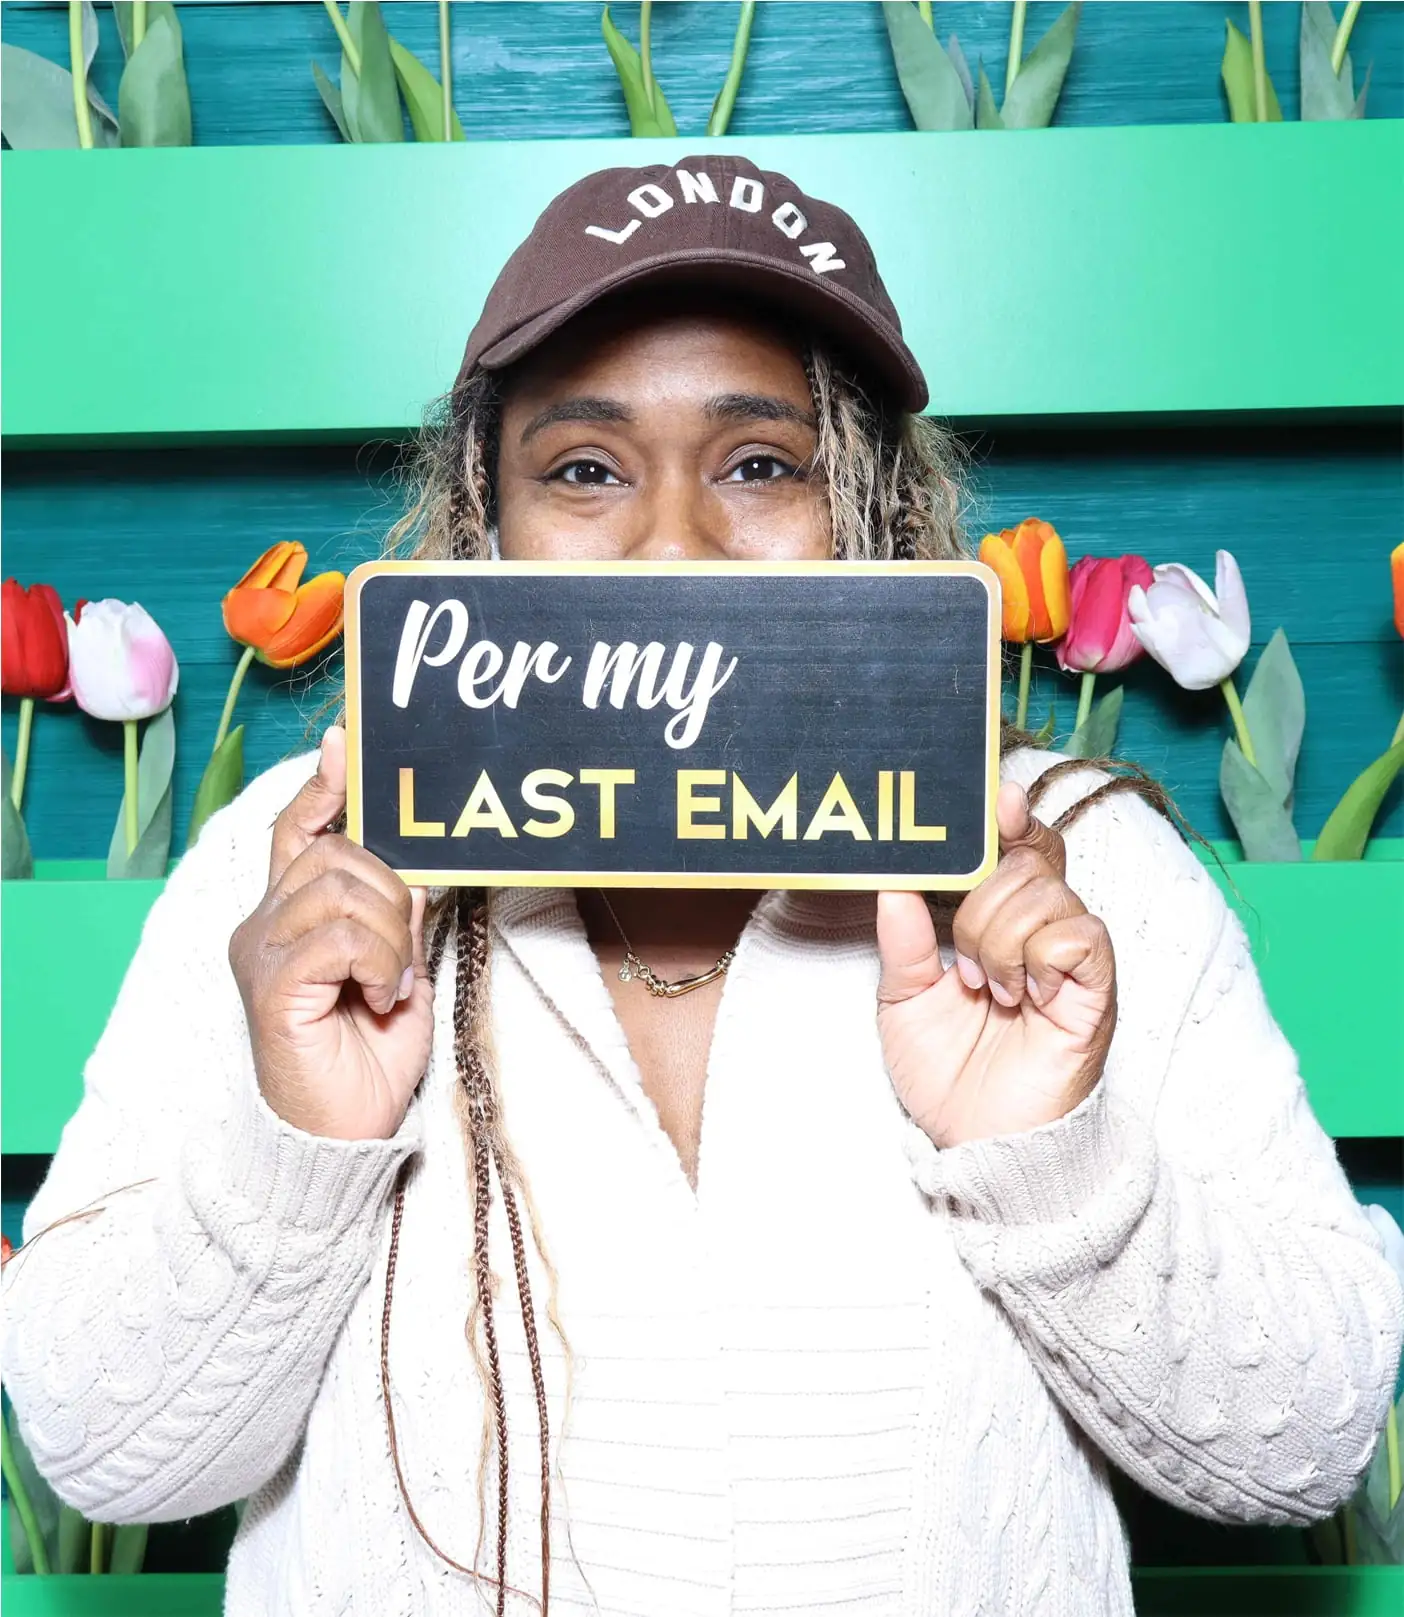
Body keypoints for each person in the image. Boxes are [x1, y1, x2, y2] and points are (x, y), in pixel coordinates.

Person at [3, 156, 1401, 1617]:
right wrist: (298, 1144)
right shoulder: (301, 875)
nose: (672, 539)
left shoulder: (1081, 872)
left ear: (862, 499)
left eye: (757, 464)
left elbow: (1307, 1446)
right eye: (586, 469)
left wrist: (1048, 1153)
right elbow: (106, 1453)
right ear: (488, 513)